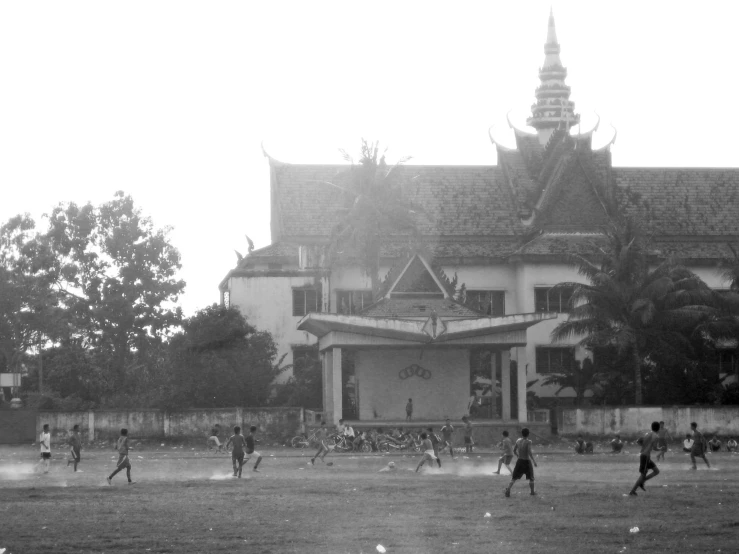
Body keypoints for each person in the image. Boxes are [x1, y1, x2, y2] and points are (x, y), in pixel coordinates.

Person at [629, 421, 661, 496]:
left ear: (651, 427)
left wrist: (645, 446)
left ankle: (642, 482)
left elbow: (639, 441)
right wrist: (660, 448)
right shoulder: (655, 436)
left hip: (645, 456)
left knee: (656, 471)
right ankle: (633, 491)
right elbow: (655, 448)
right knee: (643, 474)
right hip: (645, 456)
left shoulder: (647, 434)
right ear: (658, 428)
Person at [504, 428, 538, 497]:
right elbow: (529, 451)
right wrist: (534, 461)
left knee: (514, 477)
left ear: (522, 434)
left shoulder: (518, 441)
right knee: (531, 478)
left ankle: (508, 489)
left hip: (519, 461)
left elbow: (514, 450)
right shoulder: (529, 442)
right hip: (527, 461)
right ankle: (532, 492)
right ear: (528, 434)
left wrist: (518, 455)